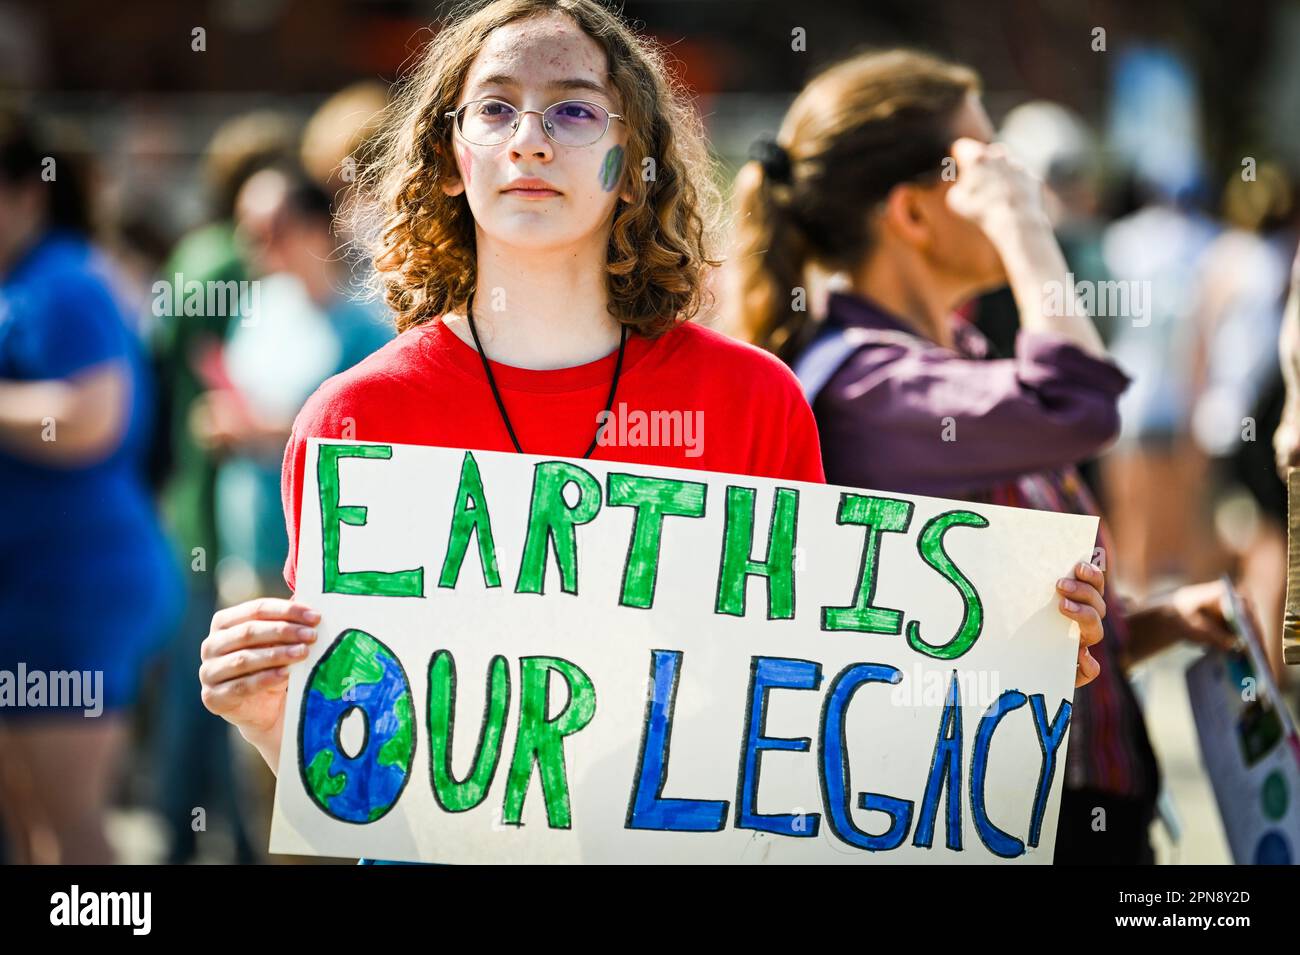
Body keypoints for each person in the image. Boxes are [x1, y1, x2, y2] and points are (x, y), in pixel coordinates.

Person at [199, 1, 1106, 863]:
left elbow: (811, 731)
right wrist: (275, 721)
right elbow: (365, 783)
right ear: (449, 158)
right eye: (496, 108)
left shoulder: (753, 401)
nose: (531, 137)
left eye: (574, 111)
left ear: (634, 158)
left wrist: (1005, 672)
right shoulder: (358, 421)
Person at [731, 49, 1239, 864]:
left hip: (1080, 811)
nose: (1017, 181)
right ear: (913, 212)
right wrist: (1026, 225)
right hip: (1006, 834)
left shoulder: (957, 356)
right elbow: (1080, 401)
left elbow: (1010, 635)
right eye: (983, 164)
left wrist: (1152, 624)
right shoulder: (867, 382)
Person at [0, 109, 183, 863]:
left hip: (72, 589)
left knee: (71, 828)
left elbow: (90, 416)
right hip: (36, 587)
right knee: (33, 826)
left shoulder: (64, 281)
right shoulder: (32, 279)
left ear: (24, 193)